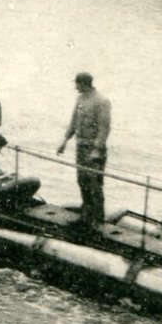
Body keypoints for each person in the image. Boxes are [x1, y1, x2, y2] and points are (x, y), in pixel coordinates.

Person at [56, 72, 111, 228]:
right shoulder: (80, 99)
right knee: (82, 181)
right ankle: (86, 215)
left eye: (77, 84)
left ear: (84, 84)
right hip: (81, 147)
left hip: (94, 150)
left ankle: (98, 219)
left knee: (94, 184)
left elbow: (104, 128)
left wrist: (97, 150)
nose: (75, 87)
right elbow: (73, 122)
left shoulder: (101, 101)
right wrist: (65, 141)